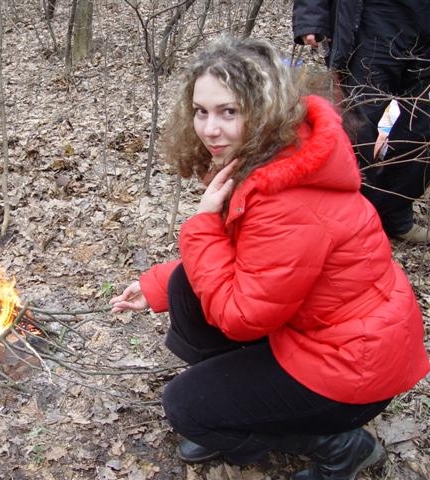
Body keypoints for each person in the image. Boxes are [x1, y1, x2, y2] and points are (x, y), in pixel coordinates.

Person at [110, 35, 429, 480]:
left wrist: (201, 224)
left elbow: (241, 316)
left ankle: (340, 445)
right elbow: (250, 260)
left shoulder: (287, 199)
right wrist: (156, 285)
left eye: (229, 111)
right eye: (201, 111)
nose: (209, 128)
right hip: (325, 337)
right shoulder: (272, 158)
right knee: (184, 287)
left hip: (350, 370)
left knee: (184, 407)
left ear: (263, 110)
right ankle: (235, 406)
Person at [292, 0, 430, 244]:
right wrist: (311, 17)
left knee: (423, 129)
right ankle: (350, 218)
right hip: (373, 19)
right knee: (359, 126)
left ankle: (394, 213)